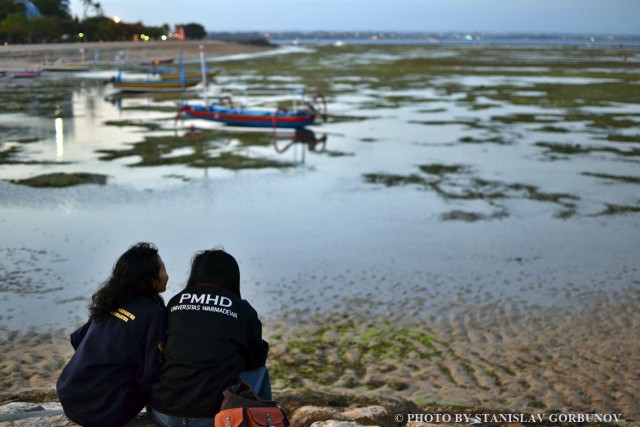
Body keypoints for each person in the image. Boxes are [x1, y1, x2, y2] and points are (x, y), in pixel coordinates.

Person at [150, 248, 270, 427]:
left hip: (164, 413)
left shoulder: (175, 302)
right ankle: (264, 420)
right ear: (232, 276)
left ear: (196, 273)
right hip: (215, 418)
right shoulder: (241, 308)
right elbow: (256, 359)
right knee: (260, 371)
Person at [56, 242, 169, 427]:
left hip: (69, 394)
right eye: (163, 269)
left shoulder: (112, 300)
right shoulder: (153, 313)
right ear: (150, 279)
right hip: (102, 412)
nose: (167, 275)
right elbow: (150, 373)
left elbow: (78, 339)